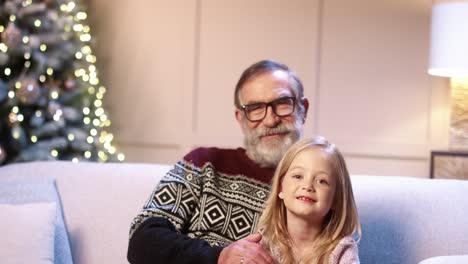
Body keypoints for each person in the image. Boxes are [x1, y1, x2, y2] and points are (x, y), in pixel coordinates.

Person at [127, 59, 310, 264]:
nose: (270, 120)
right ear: (240, 118)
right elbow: (142, 241)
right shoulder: (204, 163)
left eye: (282, 104)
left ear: (303, 109)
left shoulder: (318, 189)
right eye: (255, 108)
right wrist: (218, 257)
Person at [256, 136, 361, 264]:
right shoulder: (263, 246)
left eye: (321, 181)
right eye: (298, 176)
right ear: (280, 188)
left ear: (336, 199)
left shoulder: (341, 250)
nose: (307, 186)